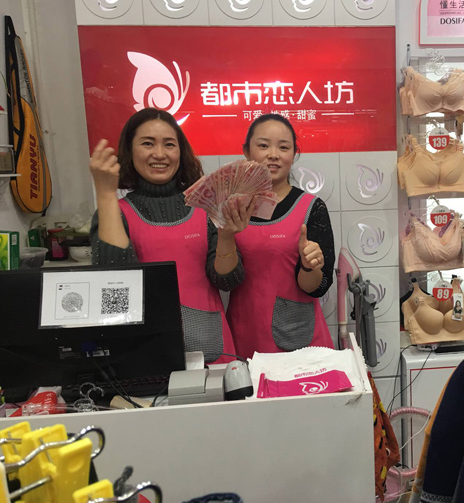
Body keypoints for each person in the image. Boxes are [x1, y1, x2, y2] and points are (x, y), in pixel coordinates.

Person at [89, 108, 252, 365]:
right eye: (147, 143)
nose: (159, 154)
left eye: (169, 144)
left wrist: (227, 237)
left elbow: (228, 280)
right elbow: (114, 292)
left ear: (181, 151)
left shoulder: (204, 207)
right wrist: (106, 193)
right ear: (130, 151)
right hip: (145, 355)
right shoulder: (114, 212)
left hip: (211, 352)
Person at [225, 113, 335, 359]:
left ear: (293, 154)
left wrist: (309, 266)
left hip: (299, 341)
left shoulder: (312, 208)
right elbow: (223, 278)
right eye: (263, 146)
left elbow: (316, 287)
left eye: (283, 147)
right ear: (246, 152)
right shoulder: (232, 208)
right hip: (244, 332)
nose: (273, 154)